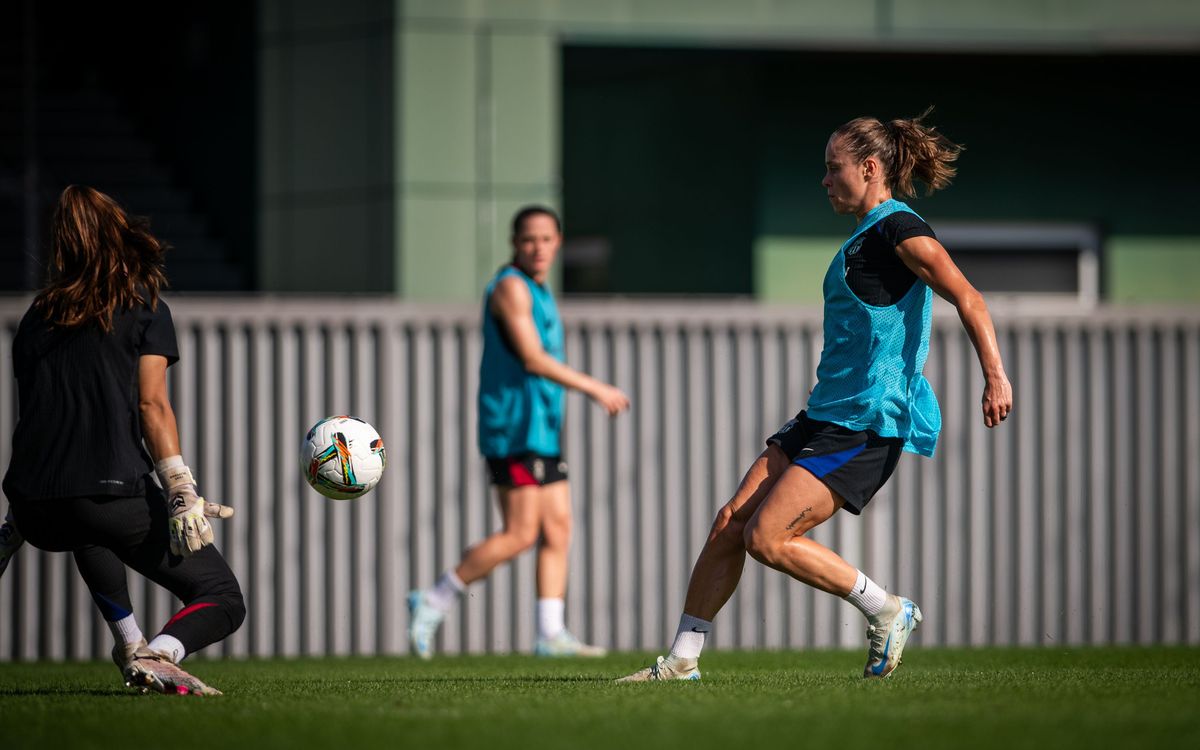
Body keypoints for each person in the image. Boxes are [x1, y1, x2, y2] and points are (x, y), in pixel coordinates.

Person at [619, 109, 1013, 681]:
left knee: (768, 537)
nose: (825, 180)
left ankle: (887, 609)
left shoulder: (899, 229)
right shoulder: (864, 237)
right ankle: (682, 661)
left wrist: (995, 375)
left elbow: (969, 297)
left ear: (871, 168)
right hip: (824, 415)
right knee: (731, 522)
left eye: (835, 169)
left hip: (866, 424)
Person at [2, 185, 244, 695]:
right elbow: (152, 405)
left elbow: (40, 421)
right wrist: (180, 492)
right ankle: (161, 653)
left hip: (33, 506)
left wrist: (17, 518)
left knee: (85, 523)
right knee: (222, 596)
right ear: (119, 234)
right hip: (108, 496)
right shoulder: (143, 305)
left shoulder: (34, 318)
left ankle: (130, 644)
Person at [407, 206, 630, 658]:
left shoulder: (540, 291)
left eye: (546, 239)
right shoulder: (510, 287)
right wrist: (594, 387)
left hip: (541, 428)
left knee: (559, 529)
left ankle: (550, 633)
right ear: (515, 243)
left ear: (558, 242)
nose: (538, 247)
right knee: (521, 533)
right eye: (529, 239)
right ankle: (434, 599)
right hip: (511, 429)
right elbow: (531, 357)